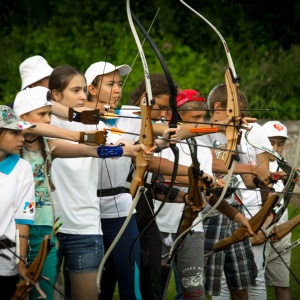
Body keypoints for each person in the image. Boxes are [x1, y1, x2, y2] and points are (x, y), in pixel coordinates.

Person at [47, 65, 154, 300]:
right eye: (76, 90)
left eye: (84, 90)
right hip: (51, 223)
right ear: (55, 94)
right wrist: (80, 117)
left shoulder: (95, 123)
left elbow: (118, 142)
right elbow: (57, 143)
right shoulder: (44, 119)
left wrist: (136, 148)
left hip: (85, 224)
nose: (83, 96)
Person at [84, 62, 181, 300]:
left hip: (121, 208)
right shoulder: (77, 119)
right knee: (94, 283)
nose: (117, 89)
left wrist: (167, 135)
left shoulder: (129, 115)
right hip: (87, 208)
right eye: (110, 84)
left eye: (119, 84)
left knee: (131, 281)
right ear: (92, 89)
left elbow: (155, 132)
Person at [151, 89, 256, 300]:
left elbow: (208, 191)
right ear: (178, 117)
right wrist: (197, 179)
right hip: (158, 227)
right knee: (154, 292)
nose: (200, 124)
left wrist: (237, 216)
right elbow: (159, 179)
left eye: (202, 118)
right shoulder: (159, 141)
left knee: (194, 292)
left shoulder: (200, 147)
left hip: (192, 228)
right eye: (195, 119)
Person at [199, 83, 272, 300]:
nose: (240, 118)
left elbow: (248, 181)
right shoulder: (200, 131)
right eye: (235, 112)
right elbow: (215, 165)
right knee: (210, 282)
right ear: (219, 107)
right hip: (210, 212)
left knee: (240, 281)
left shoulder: (234, 135)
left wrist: (269, 178)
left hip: (234, 209)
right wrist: (252, 168)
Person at [0, 105, 36, 300]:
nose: (22, 138)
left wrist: (21, 264)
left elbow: (23, 219)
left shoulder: (23, 168)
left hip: (5, 264)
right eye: (15, 132)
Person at [262, 121, 293, 300]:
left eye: (280, 144)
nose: (275, 148)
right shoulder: (254, 166)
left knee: (282, 284)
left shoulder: (287, 168)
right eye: (271, 142)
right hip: (260, 231)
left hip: (282, 232)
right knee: (256, 284)